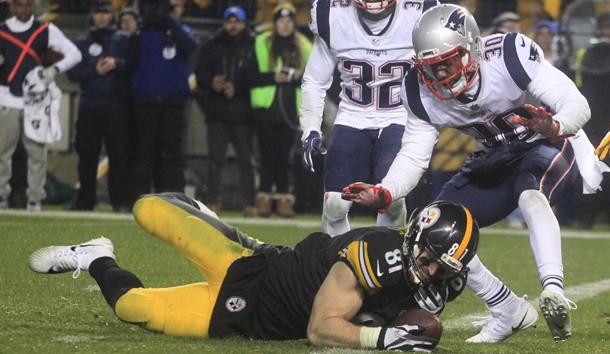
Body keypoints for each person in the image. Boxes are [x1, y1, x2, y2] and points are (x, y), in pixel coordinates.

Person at [342, 4, 595, 342]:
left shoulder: (509, 54)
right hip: (493, 157)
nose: (440, 75)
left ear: (474, 47)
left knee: (531, 194)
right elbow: (415, 154)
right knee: (428, 226)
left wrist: (554, 124)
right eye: (431, 68)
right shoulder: (418, 89)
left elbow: (577, 103)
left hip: (545, 143)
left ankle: (552, 289)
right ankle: (506, 307)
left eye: (448, 61)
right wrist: (386, 190)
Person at [28, 191, 479, 351]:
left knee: (131, 308)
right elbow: (321, 330)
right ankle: (220, 223)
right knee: (147, 209)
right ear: (414, 236)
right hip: (251, 271)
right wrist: (383, 339)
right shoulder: (380, 254)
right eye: (428, 258)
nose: (431, 270)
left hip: (245, 320)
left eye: (443, 267)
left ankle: (94, 256)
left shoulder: (442, 279)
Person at [299, 0, 439, 236]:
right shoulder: (332, 14)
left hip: (400, 116)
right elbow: (314, 80)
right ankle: (337, 264)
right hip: (353, 116)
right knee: (334, 203)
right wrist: (311, 128)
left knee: (392, 201)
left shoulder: (420, 12)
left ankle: (387, 264)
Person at [0, 0, 81, 211]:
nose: (23, 10)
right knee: (2, 153)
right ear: (12, 7)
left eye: (27, 5)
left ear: (33, 6)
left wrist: (55, 69)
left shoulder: (45, 30)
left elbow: (75, 53)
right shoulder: (3, 31)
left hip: (35, 101)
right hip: (7, 97)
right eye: (19, 6)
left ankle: (35, 199)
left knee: (37, 153)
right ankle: (1, 196)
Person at [245, 2, 312, 218]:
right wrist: (273, 77)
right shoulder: (261, 42)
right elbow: (248, 75)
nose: (285, 25)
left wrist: (300, 76)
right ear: (275, 23)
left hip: (291, 111)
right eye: (281, 21)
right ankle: (264, 199)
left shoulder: (304, 45)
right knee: (266, 156)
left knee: (285, 157)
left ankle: (283, 199)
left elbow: (315, 78)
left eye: (289, 21)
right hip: (266, 109)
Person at [128, 0, 197, 204]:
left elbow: (190, 46)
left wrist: (168, 21)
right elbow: (132, 57)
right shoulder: (142, 33)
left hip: (173, 102)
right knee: (145, 152)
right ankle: (139, 199)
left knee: (173, 153)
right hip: (146, 101)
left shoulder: (180, 31)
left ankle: (175, 201)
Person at [67, 0, 132, 212]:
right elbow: (72, 73)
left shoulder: (124, 40)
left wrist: (117, 64)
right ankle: (85, 201)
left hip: (116, 107)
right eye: (98, 13)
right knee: (87, 156)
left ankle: (119, 202)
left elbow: (134, 64)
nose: (102, 17)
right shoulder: (82, 42)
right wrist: (94, 71)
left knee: (118, 156)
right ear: (92, 16)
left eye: (106, 13)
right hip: (90, 106)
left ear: (112, 15)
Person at [195, 6, 256, 217]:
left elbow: (257, 76)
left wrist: (237, 87)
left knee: (246, 161)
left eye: (237, 21)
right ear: (224, 23)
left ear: (244, 23)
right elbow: (199, 75)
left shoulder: (253, 45)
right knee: (215, 160)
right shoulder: (211, 45)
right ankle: (212, 201)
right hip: (218, 111)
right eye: (229, 21)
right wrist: (212, 81)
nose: (233, 25)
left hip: (243, 113)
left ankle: (249, 203)